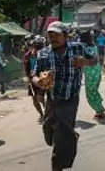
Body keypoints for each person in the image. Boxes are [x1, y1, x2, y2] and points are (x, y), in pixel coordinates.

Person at [32, 21, 97, 171]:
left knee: (60, 141)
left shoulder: (77, 48)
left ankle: (58, 165)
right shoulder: (43, 53)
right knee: (48, 132)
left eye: (56, 35)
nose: (52, 38)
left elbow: (95, 59)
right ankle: (70, 136)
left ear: (66, 36)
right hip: (52, 99)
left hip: (70, 99)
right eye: (50, 35)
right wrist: (38, 81)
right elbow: (34, 74)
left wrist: (85, 61)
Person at [76, 31, 105, 119]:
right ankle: (100, 109)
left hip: (90, 74)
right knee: (94, 91)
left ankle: (100, 110)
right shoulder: (93, 46)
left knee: (90, 94)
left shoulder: (84, 48)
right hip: (96, 72)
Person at [23, 35, 46, 123]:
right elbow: (26, 67)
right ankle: (42, 114)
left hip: (42, 77)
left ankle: (47, 112)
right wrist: (28, 77)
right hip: (32, 79)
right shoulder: (27, 55)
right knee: (34, 99)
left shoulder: (41, 54)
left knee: (40, 97)